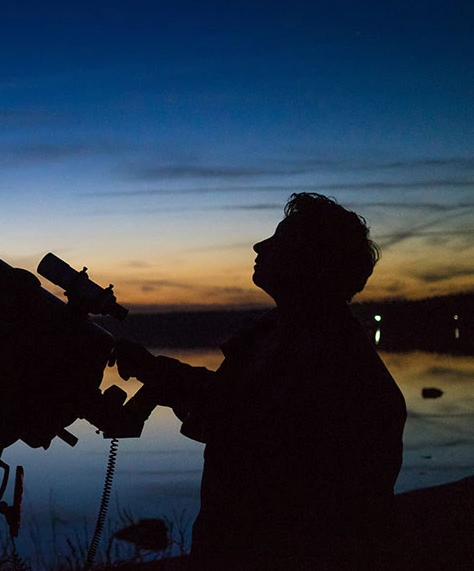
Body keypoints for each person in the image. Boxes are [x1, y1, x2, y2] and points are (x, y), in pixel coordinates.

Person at [114, 192, 406, 570]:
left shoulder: (337, 366)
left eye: (279, 239)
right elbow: (231, 399)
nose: (259, 245)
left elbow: (245, 417)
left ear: (312, 262)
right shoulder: (283, 335)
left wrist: (158, 376)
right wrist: (153, 370)